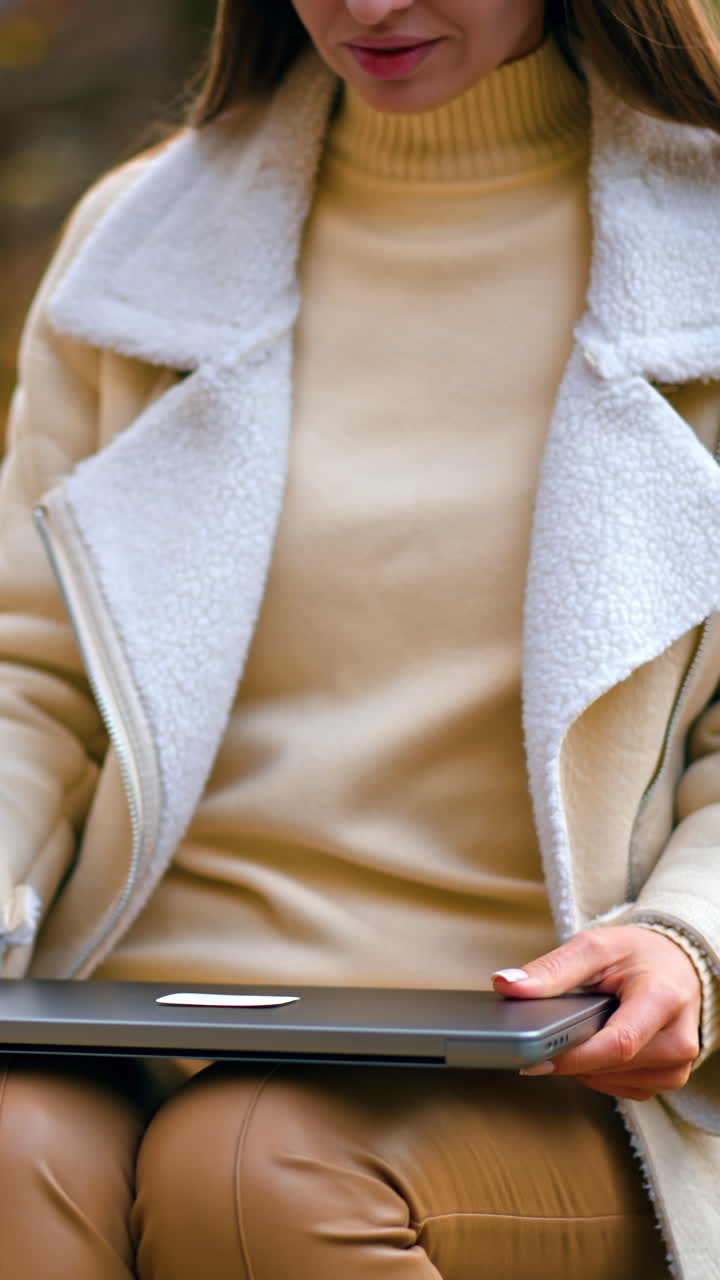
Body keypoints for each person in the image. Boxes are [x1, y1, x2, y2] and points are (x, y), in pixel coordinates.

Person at [1, 0, 720, 1276]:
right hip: (109, 1009)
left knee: (255, 1161)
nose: (365, 6)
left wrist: (688, 940)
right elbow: (28, 669)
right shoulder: (139, 237)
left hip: (558, 1066)